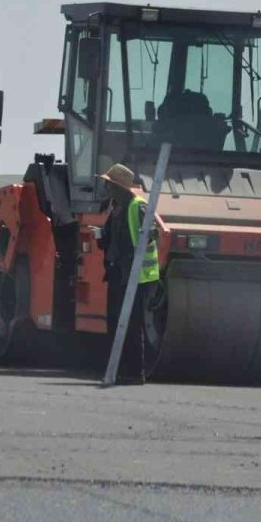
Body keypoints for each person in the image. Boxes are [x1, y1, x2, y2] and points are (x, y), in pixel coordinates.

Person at [92, 163, 160, 385]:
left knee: (132, 324)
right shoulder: (116, 208)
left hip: (134, 277)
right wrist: (101, 236)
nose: (106, 188)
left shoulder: (137, 206)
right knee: (115, 323)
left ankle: (135, 373)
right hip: (117, 273)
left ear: (119, 187)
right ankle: (117, 370)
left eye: (109, 184)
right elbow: (112, 238)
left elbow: (153, 231)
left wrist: (149, 232)